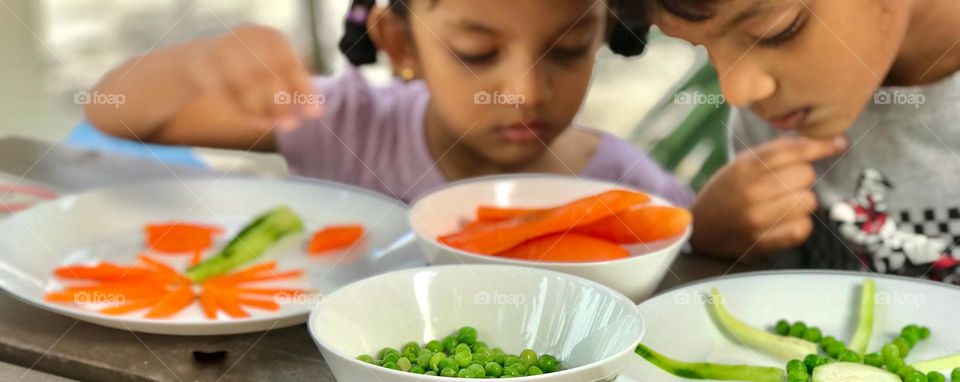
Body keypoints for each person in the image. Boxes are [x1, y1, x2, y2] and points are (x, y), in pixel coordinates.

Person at [85, 0, 693, 206]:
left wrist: (719, 227)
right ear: (400, 43)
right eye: (476, 52)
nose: (527, 92)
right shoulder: (346, 126)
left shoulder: (622, 184)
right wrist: (194, 64)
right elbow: (115, 113)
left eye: (569, 50)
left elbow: (694, 254)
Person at [648, 0, 960, 282]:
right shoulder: (773, 120)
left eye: (778, 30)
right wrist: (712, 239)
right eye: (705, 49)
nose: (737, 91)